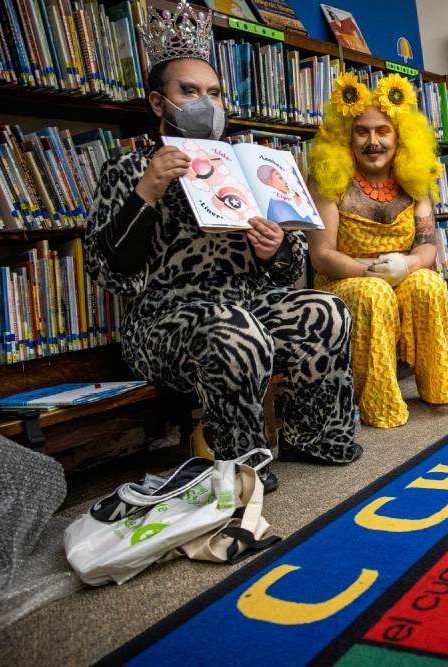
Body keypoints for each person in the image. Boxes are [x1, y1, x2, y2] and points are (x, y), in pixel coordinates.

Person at [84, 1, 362, 495]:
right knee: (236, 330)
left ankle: (315, 436)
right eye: (188, 91)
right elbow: (109, 271)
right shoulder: (127, 171)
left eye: (213, 93)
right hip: (164, 318)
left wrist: (274, 248)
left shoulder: (243, 166)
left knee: (326, 309)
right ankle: (241, 462)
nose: (204, 103)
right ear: (157, 103)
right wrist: (146, 192)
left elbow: (288, 271)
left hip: (245, 304)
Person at [307, 73, 448, 429]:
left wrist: (408, 264)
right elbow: (322, 255)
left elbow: (428, 246)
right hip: (345, 280)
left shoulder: (414, 181)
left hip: (400, 271)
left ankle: (438, 383)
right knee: (374, 293)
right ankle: (377, 400)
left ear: (399, 136)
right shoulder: (329, 181)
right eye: (362, 131)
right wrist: (371, 271)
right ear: (346, 137)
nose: (373, 141)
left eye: (382, 131)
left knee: (428, 284)